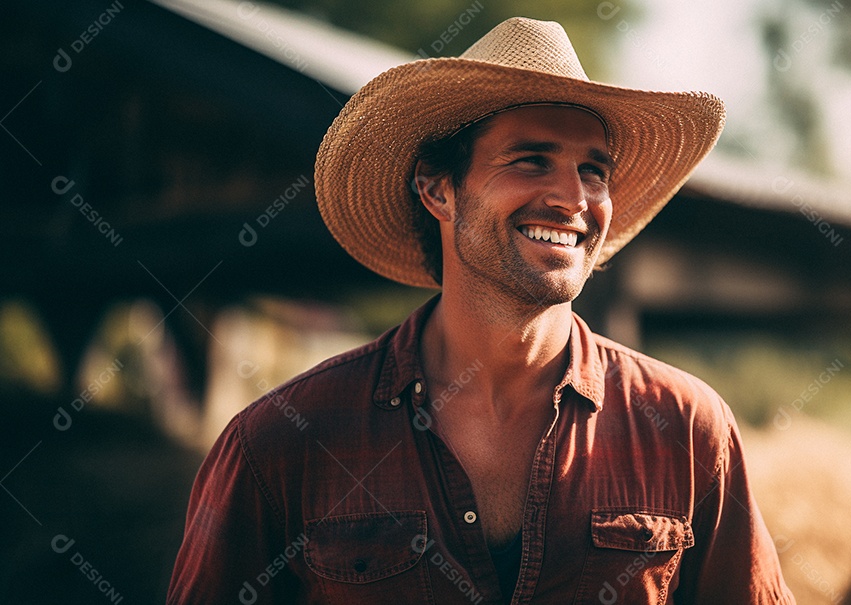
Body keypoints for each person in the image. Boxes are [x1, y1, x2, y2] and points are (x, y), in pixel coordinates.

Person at [168, 17, 793, 604]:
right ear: (439, 189)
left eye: (593, 170)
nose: (573, 198)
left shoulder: (684, 429)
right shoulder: (284, 442)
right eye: (531, 160)